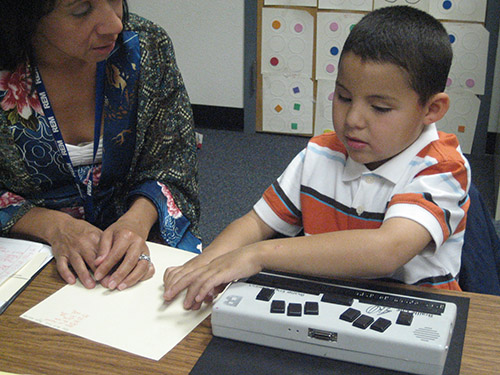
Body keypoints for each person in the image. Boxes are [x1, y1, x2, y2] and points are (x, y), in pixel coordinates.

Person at [164, 5, 471, 310]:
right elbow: (256, 223)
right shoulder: (320, 153)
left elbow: (386, 251)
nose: (353, 119)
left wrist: (257, 255)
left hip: (412, 313)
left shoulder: (442, 167)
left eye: (380, 108)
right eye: (344, 97)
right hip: (325, 304)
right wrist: (204, 264)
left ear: (431, 110)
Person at [0, 0, 201, 291]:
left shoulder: (144, 46)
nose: (115, 25)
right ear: (24, 16)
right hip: (27, 248)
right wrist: (53, 227)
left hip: (137, 241)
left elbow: (174, 164)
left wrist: (136, 222)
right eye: (81, 10)